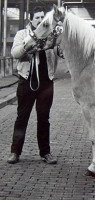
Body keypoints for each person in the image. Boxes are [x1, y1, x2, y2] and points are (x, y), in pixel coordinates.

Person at [7, 6, 58, 164]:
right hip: (26, 81)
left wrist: (59, 41)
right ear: (31, 20)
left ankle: (45, 153)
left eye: (43, 17)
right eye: (37, 18)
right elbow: (14, 53)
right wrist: (28, 44)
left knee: (44, 119)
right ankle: (15, 152)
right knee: (22, 118)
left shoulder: (51, 35)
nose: (41, 20)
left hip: (46, 84)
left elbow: (60, 52)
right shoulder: (22, 34)